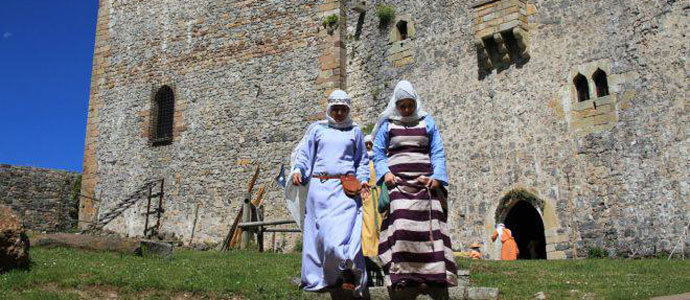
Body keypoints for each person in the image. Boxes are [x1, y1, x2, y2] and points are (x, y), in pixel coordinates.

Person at [372, 80, 458, 290]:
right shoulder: (388, 124)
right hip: (398, 185)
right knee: (402, 229)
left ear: (415, 102)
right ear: (397, 105)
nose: (407, 109)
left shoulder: (427, 122)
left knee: (428, 230)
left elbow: (437, 152)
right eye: (403, 106)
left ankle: (432, 275)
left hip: (424, 185)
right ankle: (402, 275)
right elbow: (378, 152)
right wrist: (385, 173)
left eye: (410, 105)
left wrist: (437, 177)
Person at [291, 90, 370, 297]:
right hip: (319, 189)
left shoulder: (355, 131)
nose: (339, 113)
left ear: (348, 109)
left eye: (343, 109)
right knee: (320, 237)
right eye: (335, 109)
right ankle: (323, 279)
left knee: (341, 236)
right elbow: (305, 156)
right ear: (329, 108)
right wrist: (299, 170)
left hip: (345, 190)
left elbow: (361, 161)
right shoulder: (317, 129)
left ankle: (347, 272)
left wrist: (363, 181)